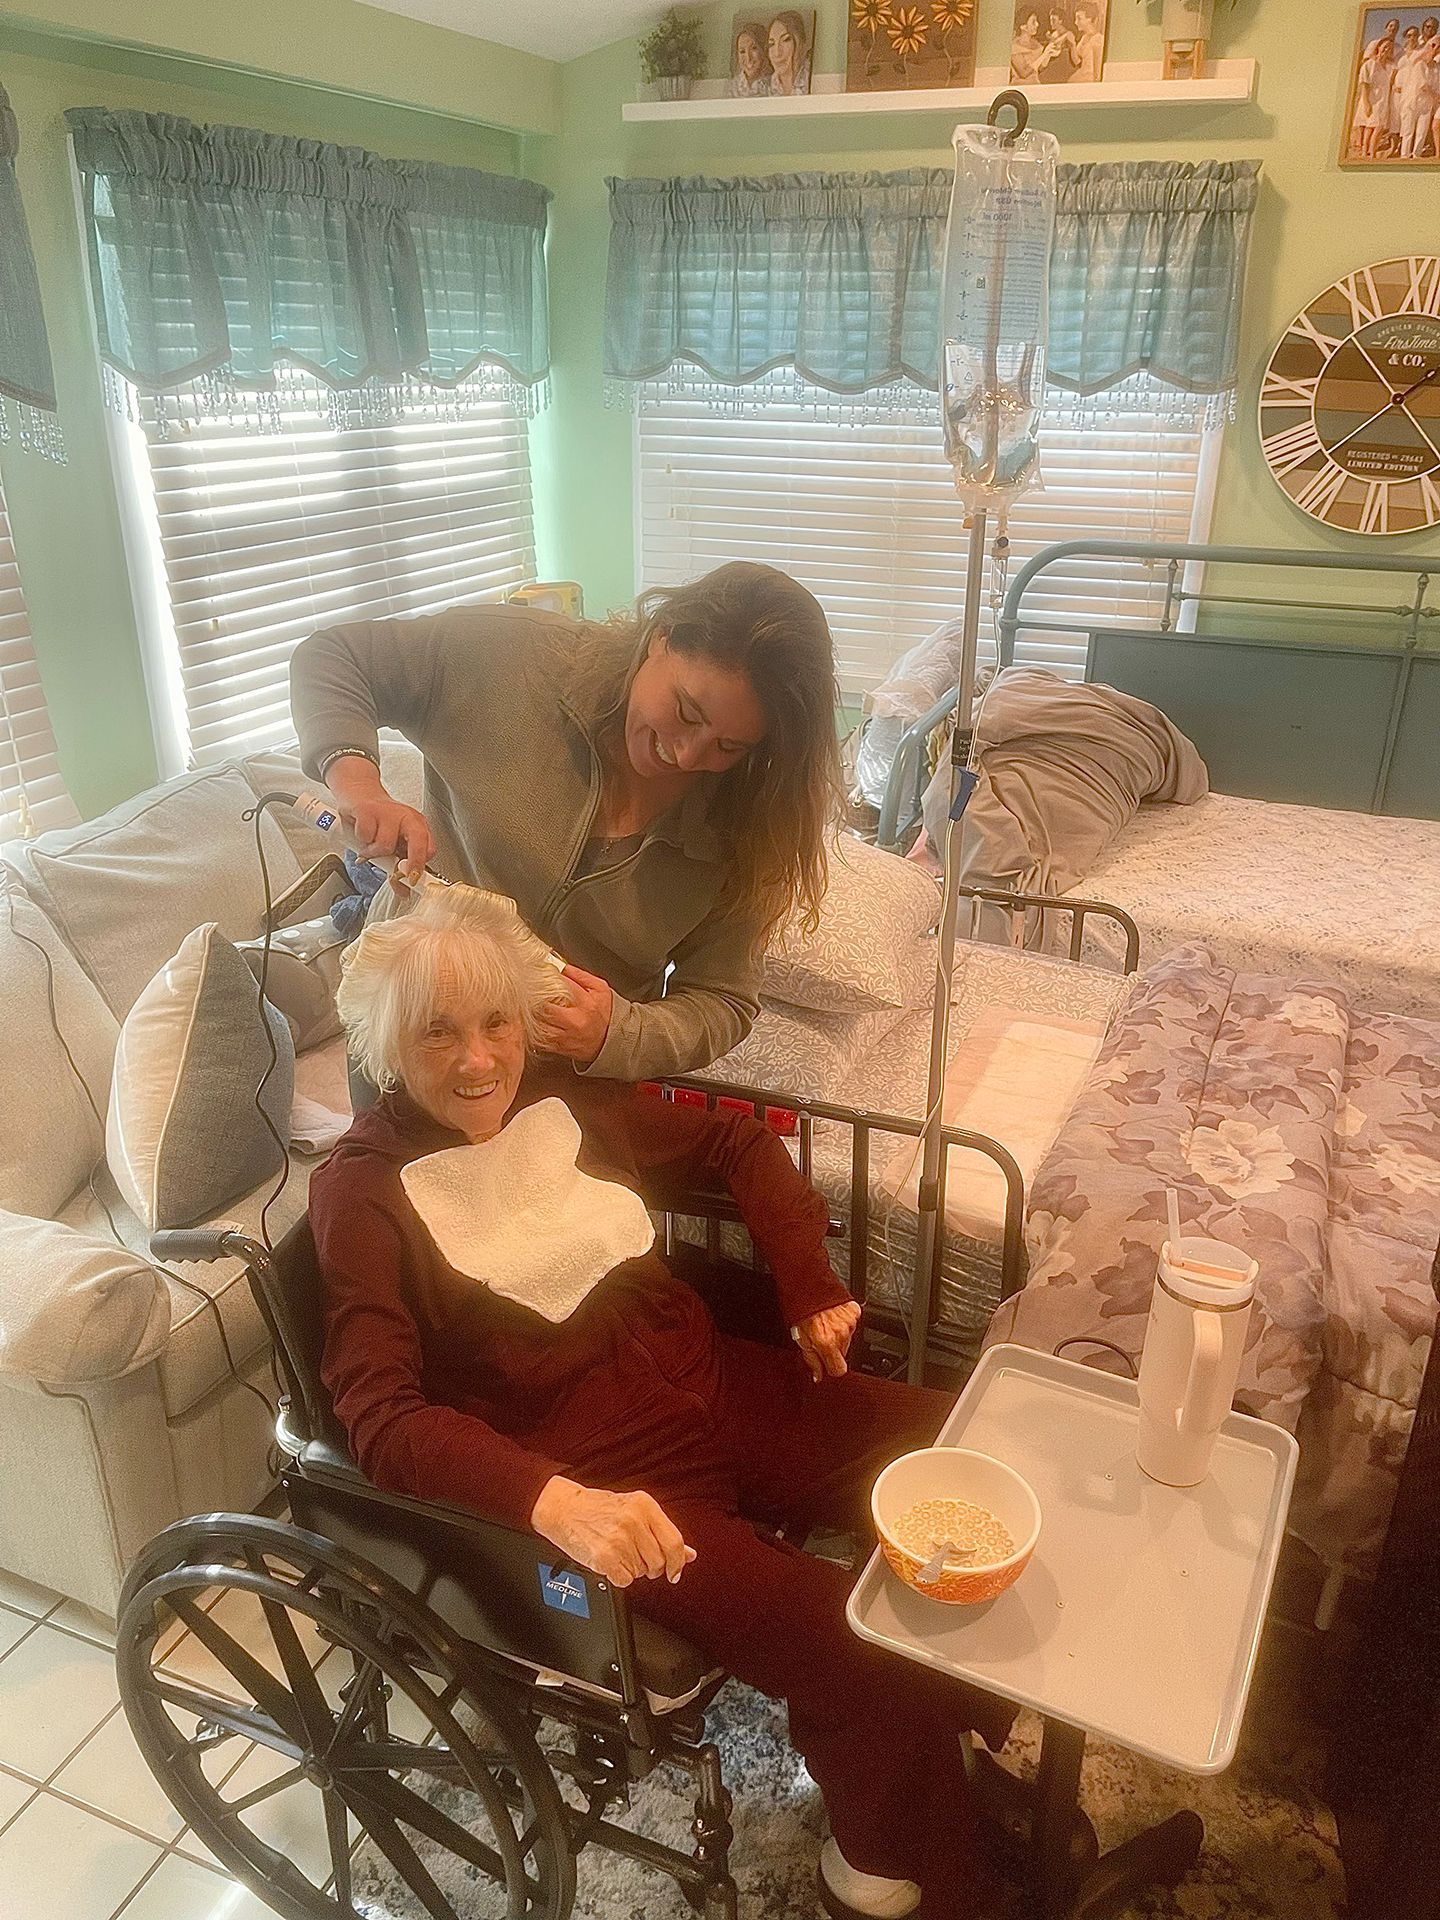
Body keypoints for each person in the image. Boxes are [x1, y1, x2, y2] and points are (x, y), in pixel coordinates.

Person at [311, 886, 1015, 1920]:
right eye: (437, 1035)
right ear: (383, 1044)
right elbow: (379, 1416)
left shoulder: (560, 1098)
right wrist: (554, 1500)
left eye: (496, 1022)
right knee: (852, 1642)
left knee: (962, 1454)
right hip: (610, 1479)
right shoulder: (363, 1191)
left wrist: (807, 1283)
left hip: (715, 1381)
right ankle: (885, 1871)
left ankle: (938, 1744)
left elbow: (735, 1145)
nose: (478, 1060)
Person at [290, 562, 842, 1083]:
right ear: (662, 636)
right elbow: (337, 657)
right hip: (415, 1043)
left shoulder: (749, 822)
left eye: (727, 745)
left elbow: (721, 1000)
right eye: (686, 712)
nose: (685, 753)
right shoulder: (509, 659)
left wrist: (618, 1033)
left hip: (571, 1089)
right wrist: (360, 785)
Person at [768, 10, 813, 96]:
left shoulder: (813, 79)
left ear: (801, 43)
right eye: (771, 44)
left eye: (786, 40)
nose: (777, 53)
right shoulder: (766, 85)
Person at [731, 19, 772, 95]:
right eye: (742, 51)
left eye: (754, 48)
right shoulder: (732, 86)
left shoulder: (773, 84)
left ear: (764, 51)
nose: (748, 57)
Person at [1069, 2, 1105, 82]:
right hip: (1081, 74)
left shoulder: (1098, 39)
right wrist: (1072, 44)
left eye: (1079, 18)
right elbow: (1076, 62)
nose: (1075, 22)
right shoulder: (1084, 37)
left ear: (1090, 19)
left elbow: (1098, 74)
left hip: (1090, 79)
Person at [1009, 9, 1046, 83]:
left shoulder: (1035, 43)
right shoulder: (1014, 46)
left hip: (1035, 84)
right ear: (1023, 26)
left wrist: (1049, 54)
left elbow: (1040, 68)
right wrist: (1045, 54)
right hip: (1020, 87)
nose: (1037, 24)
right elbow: (1023, 74)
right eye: (1033, 22)